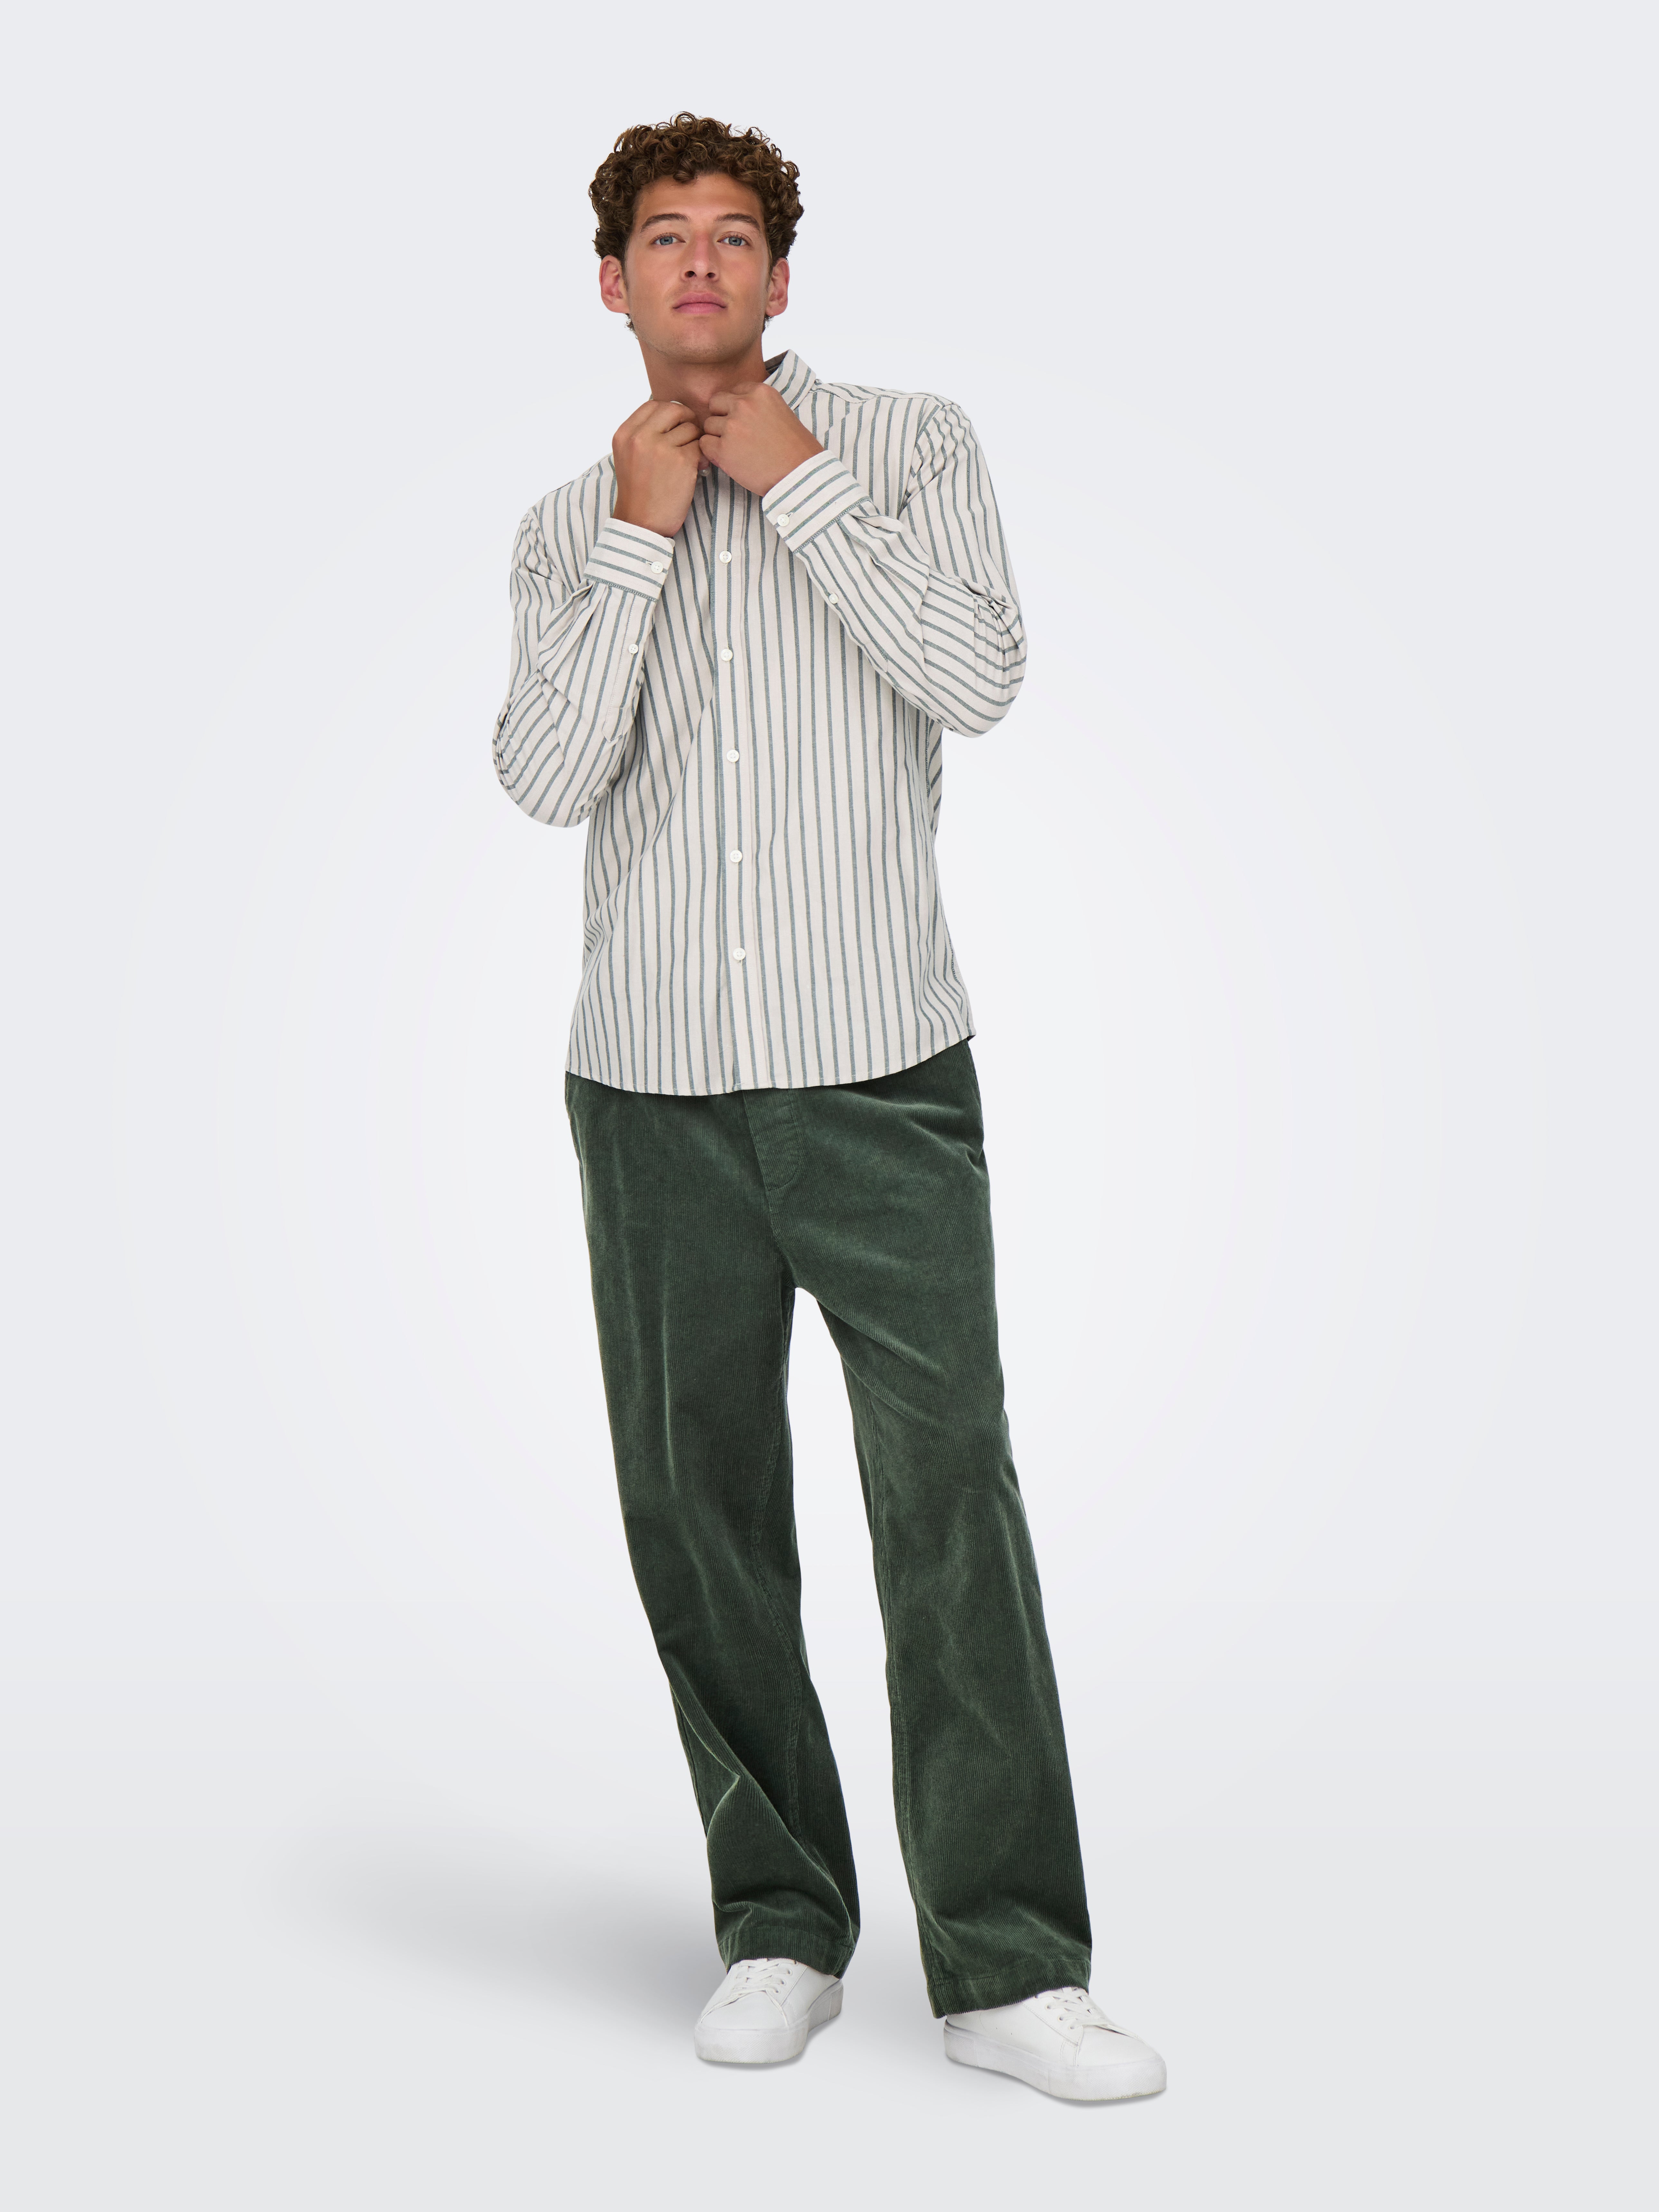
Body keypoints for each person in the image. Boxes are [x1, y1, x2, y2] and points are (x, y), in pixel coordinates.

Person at [491, 112, 1165, 2103]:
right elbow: (544, 775)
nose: (699, 263)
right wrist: (641, 533)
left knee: (948, 1495)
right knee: (697, 1512)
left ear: (783, 277)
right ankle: (780, 1920)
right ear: (611, 280)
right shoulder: (565, 520)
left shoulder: (913, 445)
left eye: (735, 235)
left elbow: (977, 672)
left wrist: (793, 480)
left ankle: (1010, 1966)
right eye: (663, 237)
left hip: (880, 1066)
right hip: (651, 1088)